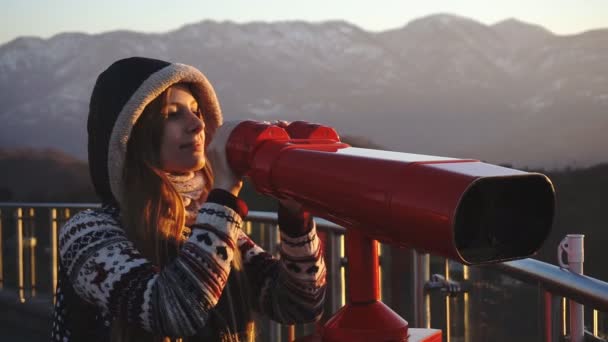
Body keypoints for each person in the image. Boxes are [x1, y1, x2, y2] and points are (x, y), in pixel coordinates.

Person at [51, 57, 327, 342]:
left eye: (197, 111)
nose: (197, 124)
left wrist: (295, 216)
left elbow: (299, 305)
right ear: (132, 133)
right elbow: (171, 311)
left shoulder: (207, 225)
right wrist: (224, 194)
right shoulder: (87, 234)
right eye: (173, 114)